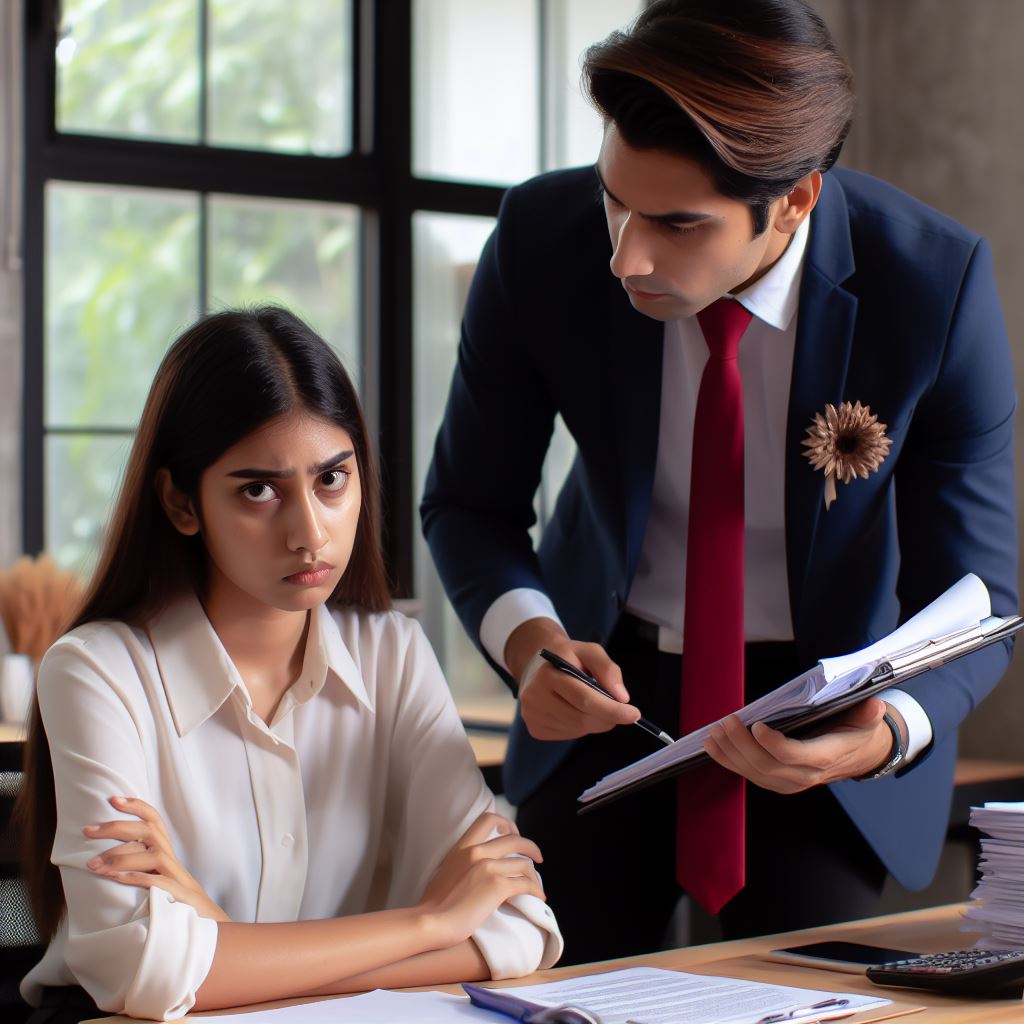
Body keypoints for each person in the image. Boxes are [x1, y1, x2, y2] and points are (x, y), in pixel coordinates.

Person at [421, 0, 1018, 966]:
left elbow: (981, 593)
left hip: (820, 724)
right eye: (616, 200)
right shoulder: (543, 238)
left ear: (796, 200)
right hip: (602, 693)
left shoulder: (931, 286)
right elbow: (468, 503)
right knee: (536, 985)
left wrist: (884, 735)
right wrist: (531, 649)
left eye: (677, 223)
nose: (626, 255)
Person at [17, 307, 562, 1023]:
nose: (309, 533)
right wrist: (431, 922)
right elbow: (141, 975)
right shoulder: (97, 671)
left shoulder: (391, 653)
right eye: (258, 490)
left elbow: (521, 929)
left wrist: (222, 944)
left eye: (332, 479)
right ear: (181, 503)